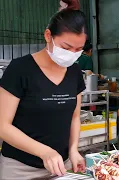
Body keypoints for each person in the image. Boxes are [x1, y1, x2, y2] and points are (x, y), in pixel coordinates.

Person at [0, 8, 87, 179]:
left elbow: (75, 117)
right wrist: (44, 152)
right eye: (66, 47)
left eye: (79, 49)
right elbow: (3, 126)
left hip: (62, 167)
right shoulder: (20, 69)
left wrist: (73, 150)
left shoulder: (75, 72)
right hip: (21, 169)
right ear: (48, 36)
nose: (72, 55)